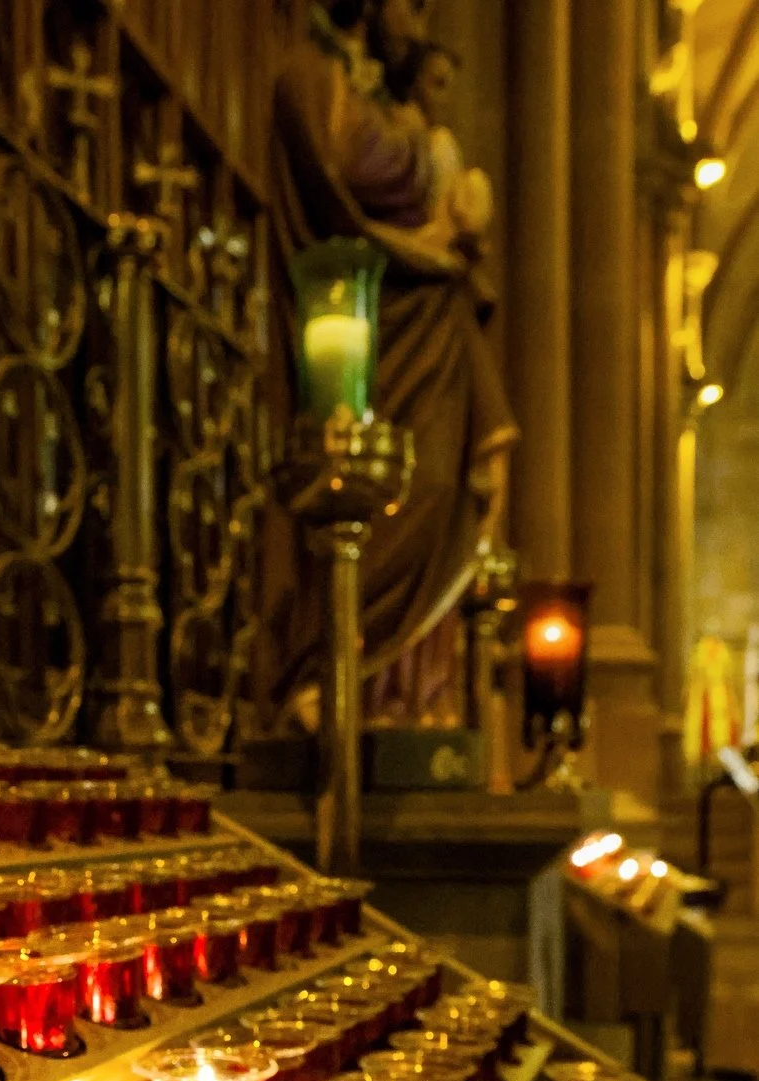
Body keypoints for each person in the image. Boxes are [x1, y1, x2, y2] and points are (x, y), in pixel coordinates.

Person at [268, 0, 518, 726]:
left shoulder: (377, 95)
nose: (415, 20)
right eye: (408, 4)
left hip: (422, 328)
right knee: (401, 491)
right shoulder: (312, 77)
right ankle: (332, 669)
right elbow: (350, 176)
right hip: (369, 327)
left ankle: (404, 691)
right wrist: (433, 178)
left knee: (443, 486)